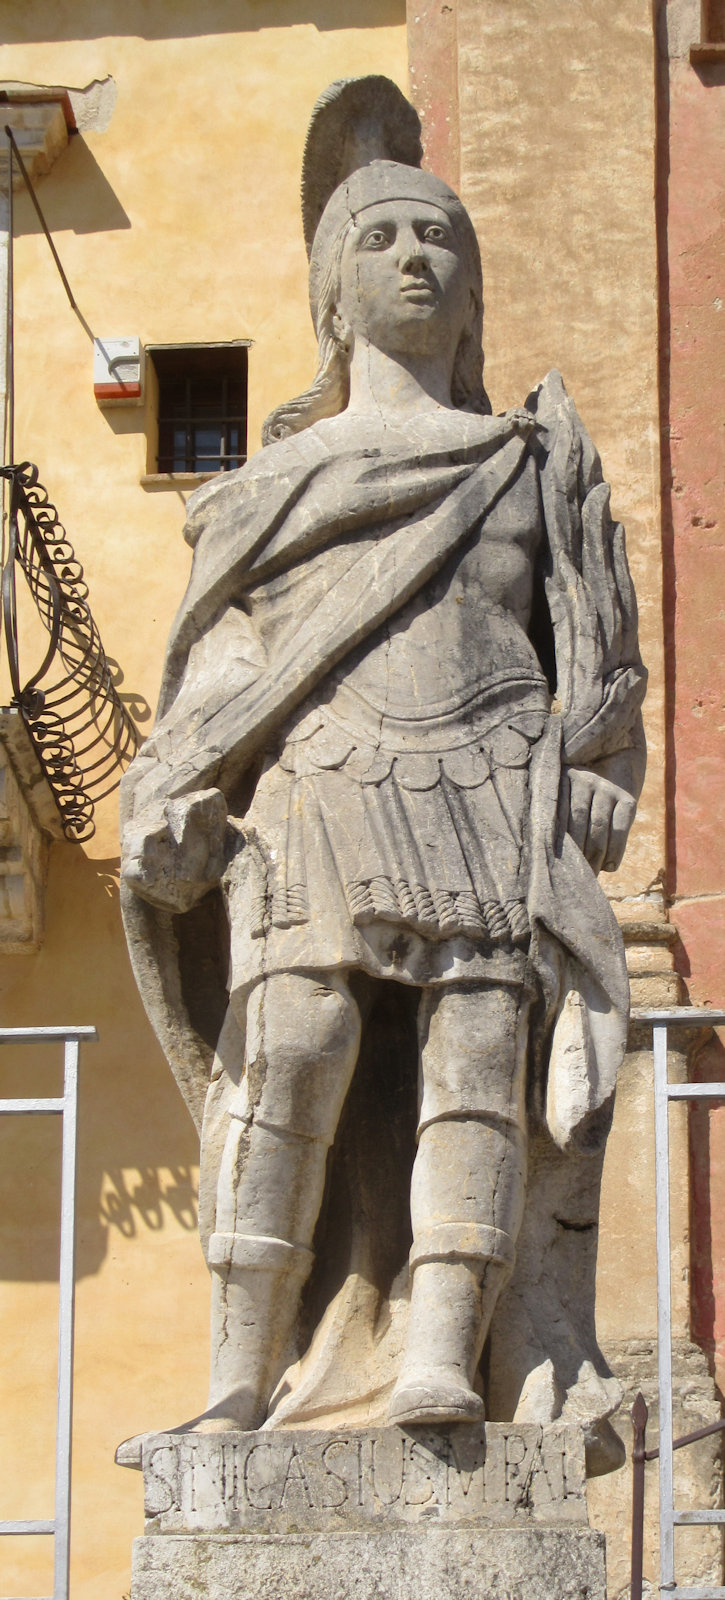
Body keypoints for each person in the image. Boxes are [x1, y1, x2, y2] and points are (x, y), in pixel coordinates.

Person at [120, 99, 645, 1448]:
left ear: (470, 291)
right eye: (385, 237)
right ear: (332, 292)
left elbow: (588, 638)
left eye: (440, 240)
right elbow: (219, 674)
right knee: (289, 1050)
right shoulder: (269, 486)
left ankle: (436, 1350)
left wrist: (594, 766)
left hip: (489, 772)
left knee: (478, 1053)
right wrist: (170, 811)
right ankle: (242, 1374)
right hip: (317, 775)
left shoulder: (526, 461)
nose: (416, 258)